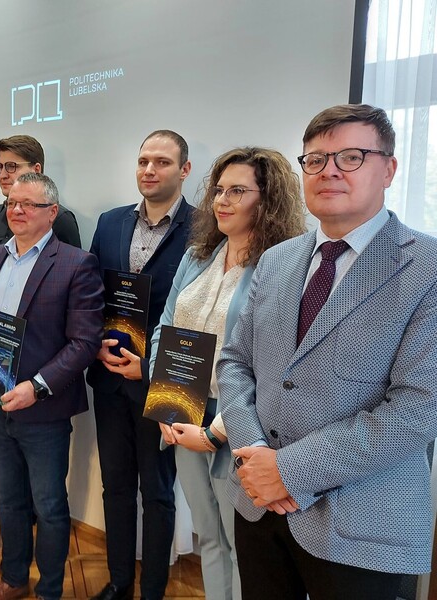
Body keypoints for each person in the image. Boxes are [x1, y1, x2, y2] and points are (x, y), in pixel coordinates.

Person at [220, 104, 437, 599]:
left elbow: (418, 409)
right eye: (315, 160)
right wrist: (255, 455)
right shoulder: (277, 260)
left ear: (389, 169)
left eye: (351, 157)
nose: (329, 171)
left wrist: (288, 471)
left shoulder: (427, 268)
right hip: (258, 508)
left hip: (362, 522)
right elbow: (235, 363)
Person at [149, 147, 306, 600]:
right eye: (219, 190)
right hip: (183, 410)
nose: (221, 200)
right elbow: (165, 327)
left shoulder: (281, 267)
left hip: (239, 424)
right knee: (209, 538)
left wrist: (215, 433)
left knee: (243, 548)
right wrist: (165, 402)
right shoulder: (197, 256)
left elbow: (270, 365)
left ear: (268, 200)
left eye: (237, 191)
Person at [0, 172, 104, 600]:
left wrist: (37, 387)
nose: (17, 210)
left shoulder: (76, 264)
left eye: (29, 204)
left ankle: (50, 590)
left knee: (50, 506)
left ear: (52, 212)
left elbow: (84, 342)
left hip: (43, 411)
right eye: (11, 203)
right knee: (7, 500)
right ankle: (13, 578)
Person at [86, 129, 193, 600]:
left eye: (162, 162)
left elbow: (196, 315)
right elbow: (90, 292)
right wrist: (94, 343)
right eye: (143, 160)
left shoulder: (205, 227)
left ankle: (152, 590)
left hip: (162, 382)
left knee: (158, 492)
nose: (149, 170)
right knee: (115, 487)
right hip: (110, 377)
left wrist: (147, 365)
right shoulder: (110, 222)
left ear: (184, 170)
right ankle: (118, 582)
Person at [0, 135, 80, 250]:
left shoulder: (59, 219)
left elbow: (71, 259)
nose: (2, 175)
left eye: (11, 166)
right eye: (0, 167)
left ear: (36, 170)